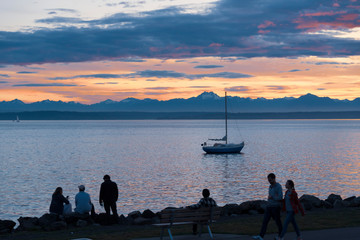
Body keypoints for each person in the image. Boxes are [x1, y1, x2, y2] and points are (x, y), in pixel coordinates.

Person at [252, 173, 283, 240]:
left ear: (274, 179)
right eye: (268, 180)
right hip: (269, 207)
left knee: (278, 222)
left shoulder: (278, 186)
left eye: (270, 180)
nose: (269, 181)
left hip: (275, 207)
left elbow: (280, 197)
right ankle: (261, 236)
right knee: (265, 221)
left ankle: (281, 236)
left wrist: (272, 197)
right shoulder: (270, 186)